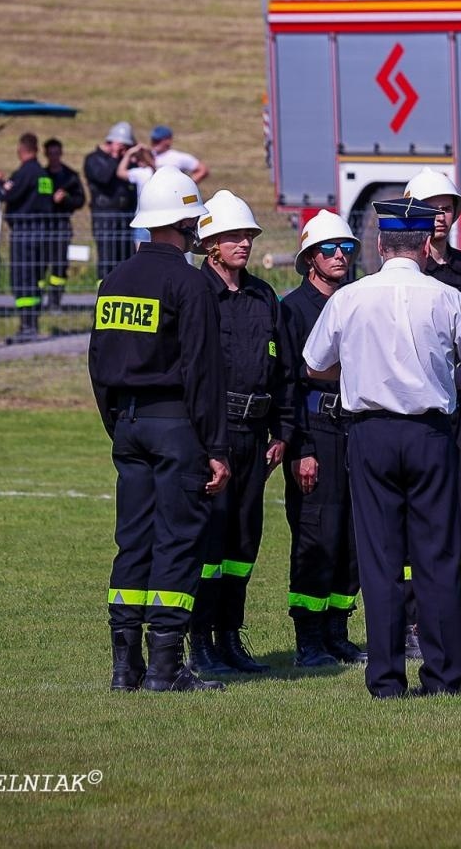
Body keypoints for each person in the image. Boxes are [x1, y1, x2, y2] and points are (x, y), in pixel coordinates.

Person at [303, 197, 461, 699]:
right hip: (430, 434)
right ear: (425, 245)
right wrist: (449, 380)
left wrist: (358, 371)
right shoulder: (447, 297)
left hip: (369, 434)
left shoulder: (349, 298)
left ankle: (387, 678)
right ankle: (442, 676)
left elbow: (314, 365)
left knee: (380, 560)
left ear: (380, 244)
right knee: (437, 557)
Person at [88, 166, 229, 693]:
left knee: (133, 541)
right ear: (185, 224)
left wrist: (118, 422)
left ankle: (124, 667)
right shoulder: (190, 283)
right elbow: (202, 372)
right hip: (176, 426)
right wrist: (216, 447)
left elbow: (97, 362)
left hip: (127, 425)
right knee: (177, 540)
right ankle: (166, 667)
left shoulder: (114, 280)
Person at [186, 190, 287, 678]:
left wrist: (281, 430)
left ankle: (230, 636)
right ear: (210, 244)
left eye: (247, 235)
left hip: (255, 435)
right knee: (211, 544)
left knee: (244, 542)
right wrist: (205, 441)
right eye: (233, 236)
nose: (243, 243)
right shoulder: (196, 293)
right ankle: (200, 640)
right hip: (213, 435)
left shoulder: (263, 296)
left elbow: (281, 369)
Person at [399, 168, 461, 659]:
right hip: (415, 416)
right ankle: (407, 624)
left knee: (453, 524)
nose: (440, 216)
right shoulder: (400, 274)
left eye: (446, 207)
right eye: (430, 208)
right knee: (412, 522)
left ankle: (438, 627)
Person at [278, 210, 366, 668]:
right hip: (316, 430)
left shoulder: (358, 301)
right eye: (328, 249)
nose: (339, 256)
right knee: (317, 535)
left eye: (346, 248)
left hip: (357, 429)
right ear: (310, 257)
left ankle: (337, 630)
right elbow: (288, 385)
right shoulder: (292, 310)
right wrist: (302, 449)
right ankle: (308, 638)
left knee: (352, 536)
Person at [0, 132, 53, 339]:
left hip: (25, 232)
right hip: (42, 231)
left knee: (22, 277)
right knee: (34, 277)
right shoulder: (43, 174)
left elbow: (4, 194)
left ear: (21, 150)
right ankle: (32, 323)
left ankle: (26, 326)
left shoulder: (25, 173)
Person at [83, 122, 139, 282]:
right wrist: (115, 156)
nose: (124, 150)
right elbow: (103, 177)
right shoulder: (93, 159)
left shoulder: (125, 161)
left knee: (128, 259)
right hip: (105, 218)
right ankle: (104, 290)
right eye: (123, 146)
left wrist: (135, 155)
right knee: (107, 258)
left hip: (126, 217)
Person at [40, 138, 85, 311]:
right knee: (40, 264)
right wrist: (51, 200)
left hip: (61, 226)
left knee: (59, 265)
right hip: (44, 226)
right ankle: (38, 300)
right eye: (50, 154)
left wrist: (65, 199)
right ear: (46, 154)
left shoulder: (70, 176)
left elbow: (80, 200)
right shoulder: (41, 175)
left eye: (56, 153)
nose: (54, 157)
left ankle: (55, 301)